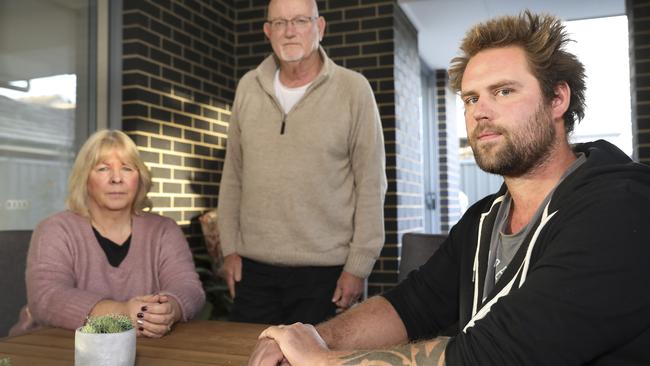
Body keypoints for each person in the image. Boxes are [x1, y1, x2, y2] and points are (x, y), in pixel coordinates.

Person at [248, 10, 650, 365]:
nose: (481, 112)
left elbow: (493, 356)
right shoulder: (483, 220)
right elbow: (411, 305)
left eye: (504, 91)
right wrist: (314, 337)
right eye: (471, 98)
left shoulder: (621, 209)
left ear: (557, 98)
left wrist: (321, 362)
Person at [216, 0, 386, 325]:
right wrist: (230, 248)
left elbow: (370, 183)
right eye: (279, 23)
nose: (290, 31)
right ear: (268, 32)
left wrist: (358, 266)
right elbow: (233, 175)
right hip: (253, 270)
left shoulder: (354, 89)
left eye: (299, 21)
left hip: (326, 273)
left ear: (319, 27)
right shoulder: (248, 88)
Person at [10, 130, 205, 338]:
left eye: (127, 168)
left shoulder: (164, 230)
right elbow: (46, 298)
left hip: (144, 349)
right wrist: (122, 314)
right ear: (85, 179)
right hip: (49, 347)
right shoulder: (55, 229)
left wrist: (168, 310)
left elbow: (188, 287)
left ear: (139, 177)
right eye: (103, 169)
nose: (116, 179)